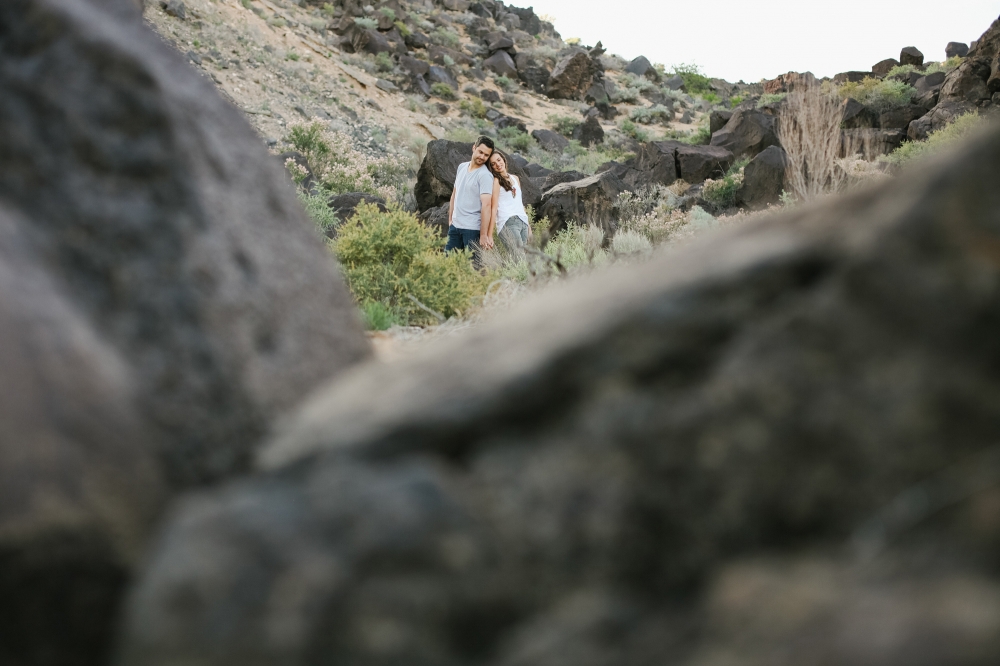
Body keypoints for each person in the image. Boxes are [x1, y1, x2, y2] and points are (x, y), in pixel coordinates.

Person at [446, 136, 495, 266]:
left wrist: (483, 235)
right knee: (447, 265)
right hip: (455, 227)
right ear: (474, 147)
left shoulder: (485, 175)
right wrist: (451, 219)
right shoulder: (462, 167)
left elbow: (487, 205)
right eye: (480, 152)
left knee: (473, 268)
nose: (482, 157)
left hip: (472, 230)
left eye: (486, 155)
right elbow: (454, 194)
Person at [485, 149, 532, 252]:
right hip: (508, 222)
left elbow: (520, 203)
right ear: (491, 168)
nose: (498, 164)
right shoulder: (496, 182)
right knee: (519, 259)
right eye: (493, 164)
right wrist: (489, 235)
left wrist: (529, 227)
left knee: (523, 261)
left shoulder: (515, 178)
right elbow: (494, 208)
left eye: (498, 160)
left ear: (503, 159)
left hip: (523, 221)